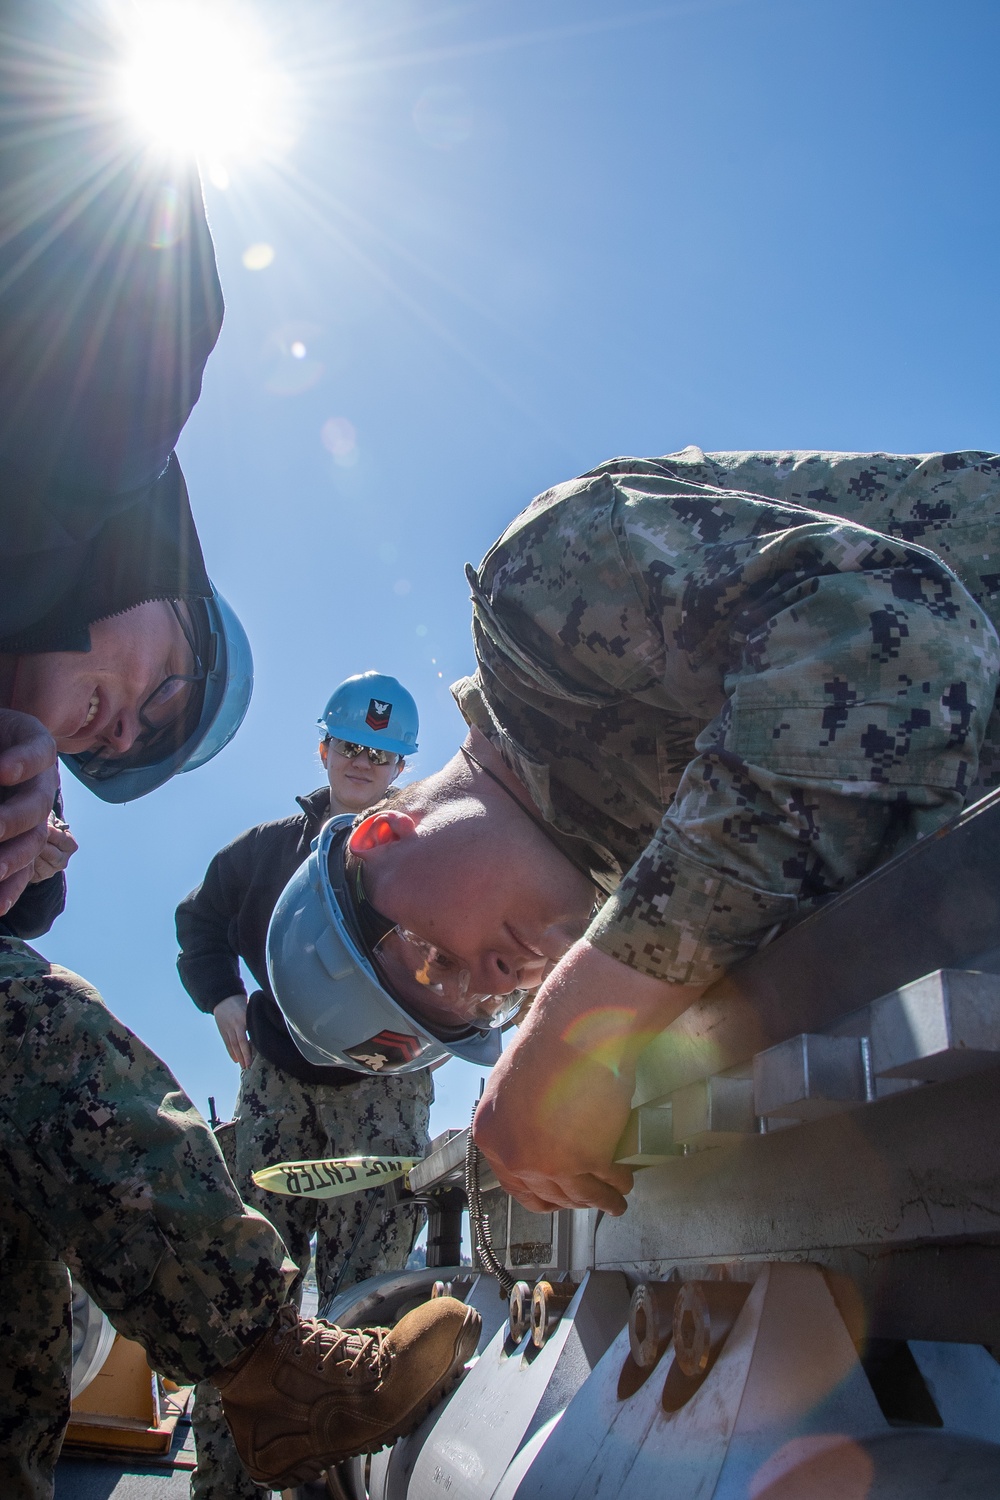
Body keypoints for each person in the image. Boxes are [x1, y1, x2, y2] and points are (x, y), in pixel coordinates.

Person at [0, 6, 478, 1497]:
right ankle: (265, 1387)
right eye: (156, 696)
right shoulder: (93, 428)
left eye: (119, 749)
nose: (116, 728)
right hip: (276, 1109)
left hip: (385, 1127)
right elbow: (96, 139)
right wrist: (220, 1015)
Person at [264, 447, 1000, 1224]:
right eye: (479, 1013)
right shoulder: (644, 864)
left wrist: (579, 1025)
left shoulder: (538, 607)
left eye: (434, 956)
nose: (495, 983)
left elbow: (899, 643)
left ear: (382, 833)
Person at [177, 672, 436, 1500]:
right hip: (277, 1093)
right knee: (251, 1297)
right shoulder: (259, 854)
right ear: (323, 748)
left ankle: (340, 1487)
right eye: (351, 746)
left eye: (382, 752)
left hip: (385, 1099)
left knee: (371, 1303)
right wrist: (223, 1001)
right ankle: (227, 1483)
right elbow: (200, 924)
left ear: (402, 766)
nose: (363, 761)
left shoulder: (430, 855)